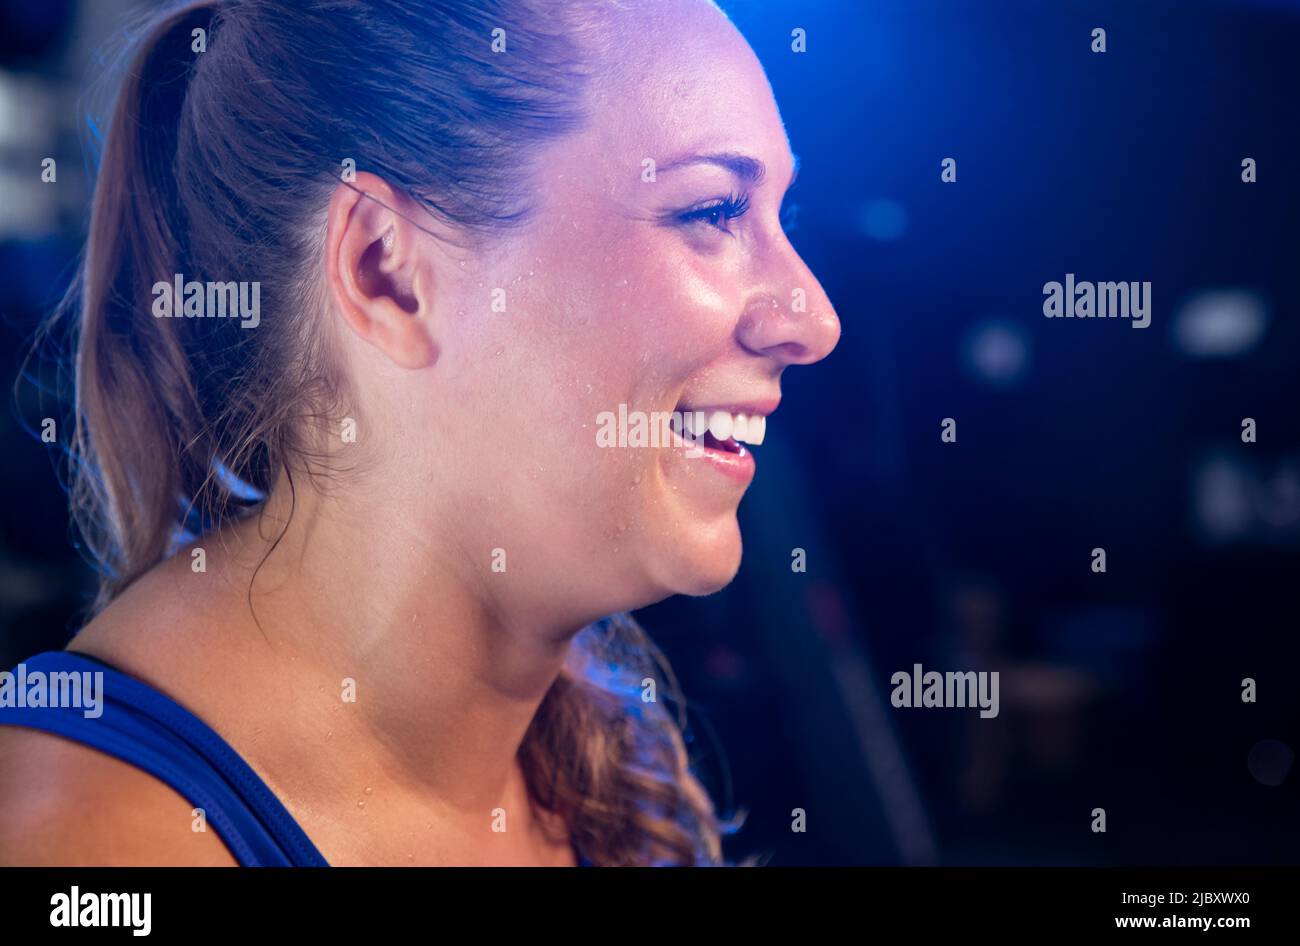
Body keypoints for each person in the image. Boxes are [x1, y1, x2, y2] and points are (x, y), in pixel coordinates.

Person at [0, 0, 839, 866]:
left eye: (782, 217)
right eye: (713, 210)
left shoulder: (607, 756)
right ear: (387, 272)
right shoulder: (87, 845)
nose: (816, 321)